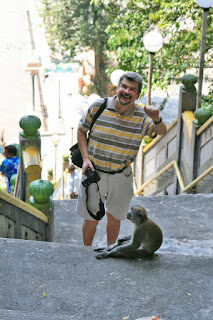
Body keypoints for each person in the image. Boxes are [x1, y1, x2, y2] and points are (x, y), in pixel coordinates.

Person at [76, 71, 167, 246]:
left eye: (132, 89)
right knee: (90, 219)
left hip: (121, 175)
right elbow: (81, 130)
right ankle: (85, 252)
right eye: (124, 86)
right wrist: (86, 158)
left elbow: (162, 132)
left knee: (115, 217)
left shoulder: (142, 116)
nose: (126, 91)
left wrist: (157, 119)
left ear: (138, 95)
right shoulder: (98, 107)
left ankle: (110, 248)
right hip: (94, 173)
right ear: (117, 88)